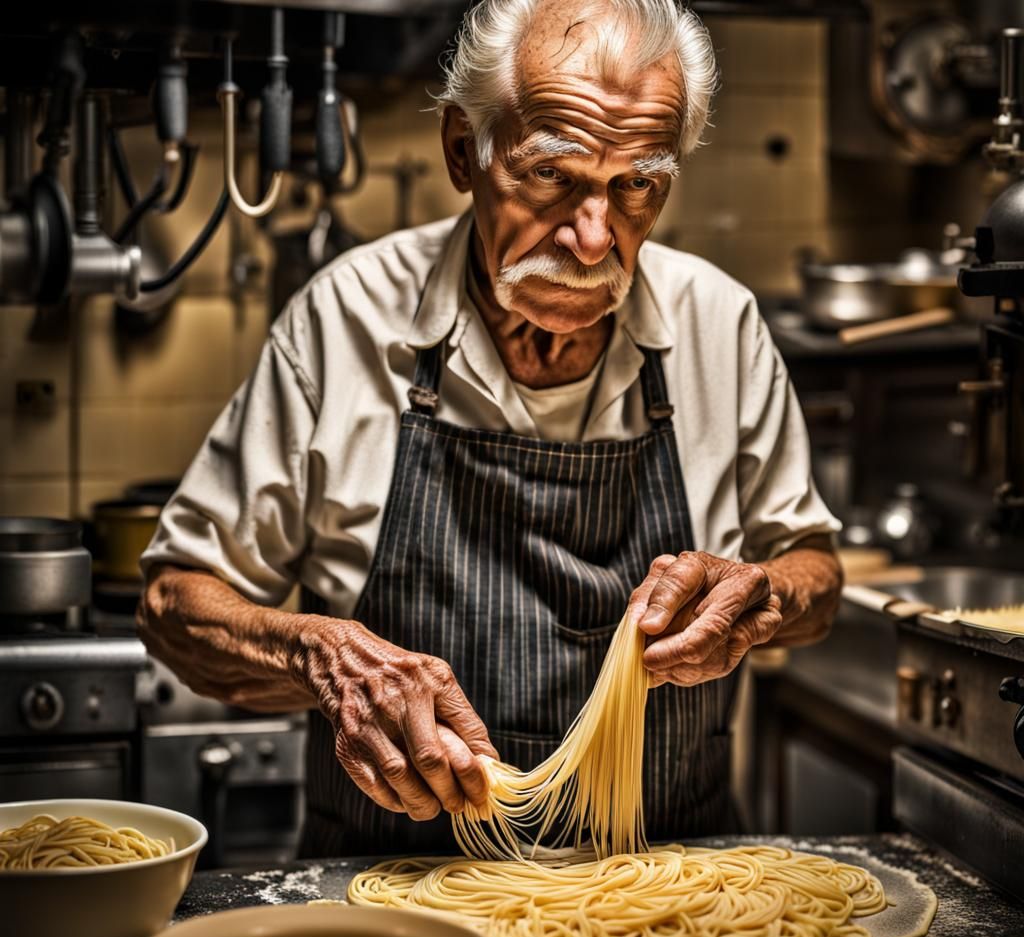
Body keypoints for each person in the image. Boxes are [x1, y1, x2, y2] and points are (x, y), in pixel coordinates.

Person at [138, 0, 843, 856]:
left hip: (668, 898)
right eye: (552, 176)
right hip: (400, 895)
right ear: (462, 149)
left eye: (637, 186)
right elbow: (176, 604)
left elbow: (815, 572)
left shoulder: (717, 325)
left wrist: (763, 599)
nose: (593, 241)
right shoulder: (348, 320)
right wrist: (322, 656)